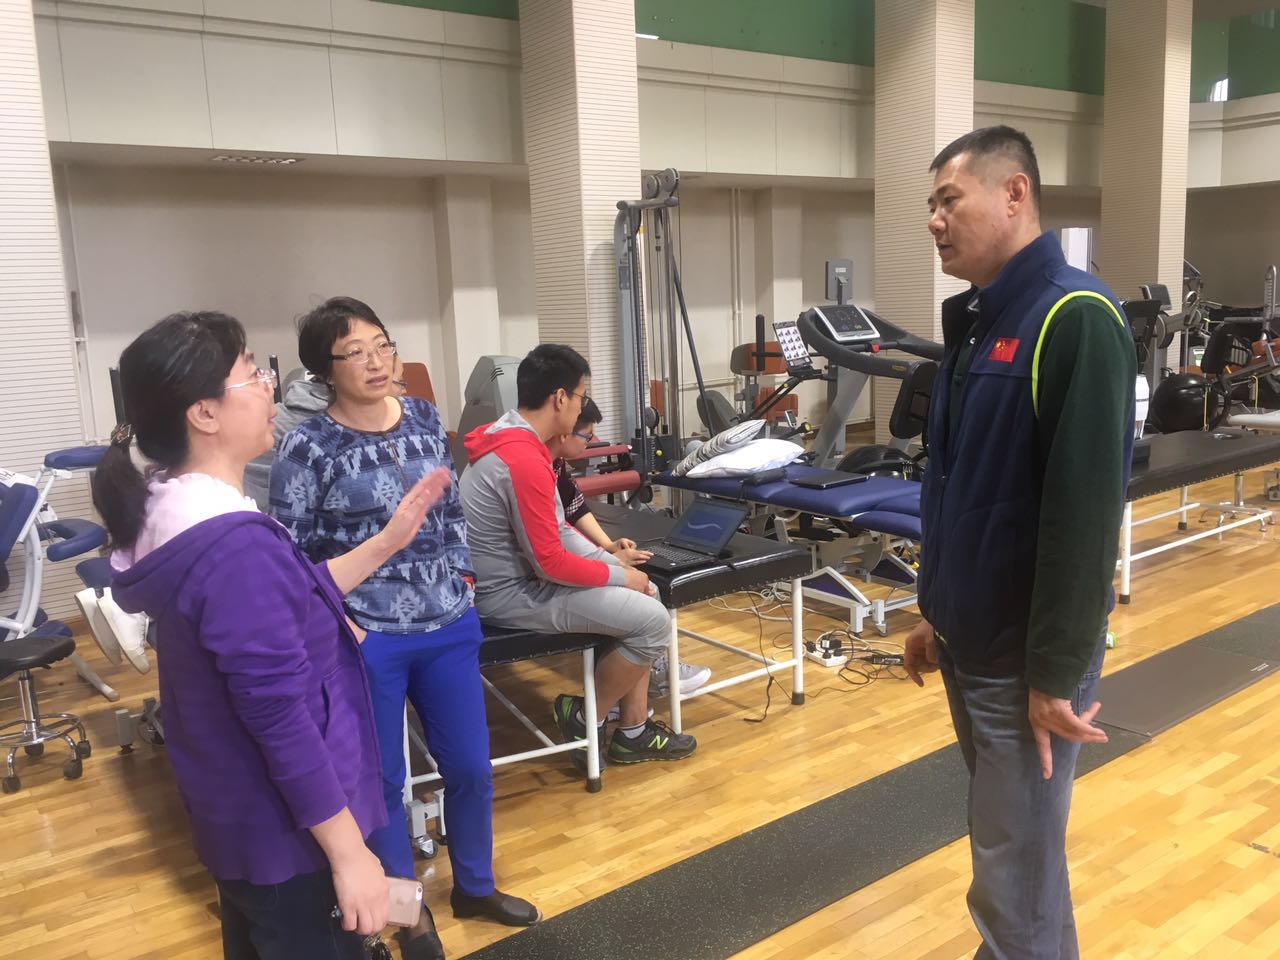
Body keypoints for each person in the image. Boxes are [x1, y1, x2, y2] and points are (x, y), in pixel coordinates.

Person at [93, 310, 453, 959]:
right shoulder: (234, 548)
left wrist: (387, 541)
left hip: (244, 822)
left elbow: (287, 597)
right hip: (294, 838)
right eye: (253, 373)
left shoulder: (176, 509)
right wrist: (350, 855)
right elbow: (280, 717)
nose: (270, 387)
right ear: (205, 413)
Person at [904, 126, 1135, 959]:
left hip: (1024, 661)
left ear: (1015, 194)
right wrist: (935, 611)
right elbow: (960, 490)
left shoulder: (1076, 318)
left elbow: (1084, 518)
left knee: (1012, 866)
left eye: (949, 200)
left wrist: (1054, 674)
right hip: (972, 641)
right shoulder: (976, 328)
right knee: (1019, 860)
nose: (934, 220)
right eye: (931, 205)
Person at [269, 297, 537, 960]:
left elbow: (450, 513)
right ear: (325, 371)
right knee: (382, 784)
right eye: (354, 352)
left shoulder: (421, 416)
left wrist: (465, 579)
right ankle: (408, 916)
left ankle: (475, 886)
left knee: (470, 767)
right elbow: (290, 555)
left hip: (447, 623)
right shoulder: (308, 445)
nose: (375, 362)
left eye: (382, 345)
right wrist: (341, 623)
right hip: (368, 637)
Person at [459, 344, 697, 771]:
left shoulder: (512, 438)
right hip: (509, 595)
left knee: (647, 595)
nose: (582, 407)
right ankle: (586, 717)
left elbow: (558, 531)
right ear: (560, 398)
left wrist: (611, 561)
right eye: (581, 396)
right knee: (653, 619)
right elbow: (550, 562)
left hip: (520, 581)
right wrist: (621, 577)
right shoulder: (521, 459)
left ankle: (633, 732)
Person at [547, 396, 712, 700]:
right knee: (645, 593)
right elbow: (554, 546)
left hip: (539, 575)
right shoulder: (533, 467)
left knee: (640, 588)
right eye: (586, 435)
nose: (591, 442)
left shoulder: (554, 465)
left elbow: (573, 506)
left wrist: (607, 546)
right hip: (531, 589)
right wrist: (610, 563)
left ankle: (626, 706)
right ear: (564, 429)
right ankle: (649, 677)